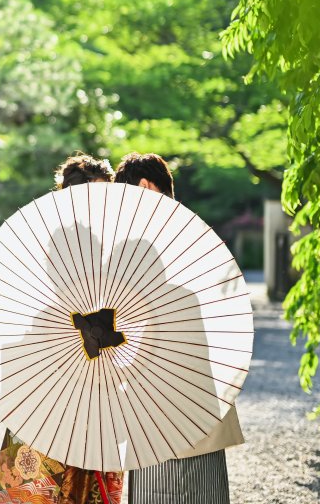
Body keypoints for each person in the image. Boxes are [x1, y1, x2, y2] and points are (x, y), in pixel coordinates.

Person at [0, 152, 123, 504]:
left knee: (82, 474)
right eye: (101, 193)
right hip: (56, 347)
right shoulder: (65, 236)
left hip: (87, 355)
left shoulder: (98, 236)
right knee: (42, 472)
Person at [113, 152, 244, 504]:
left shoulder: (155, 233)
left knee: (168, 487)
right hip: (186, 388)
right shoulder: (185, 232)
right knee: (191, 486)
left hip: (166, 390)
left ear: (144, 186)